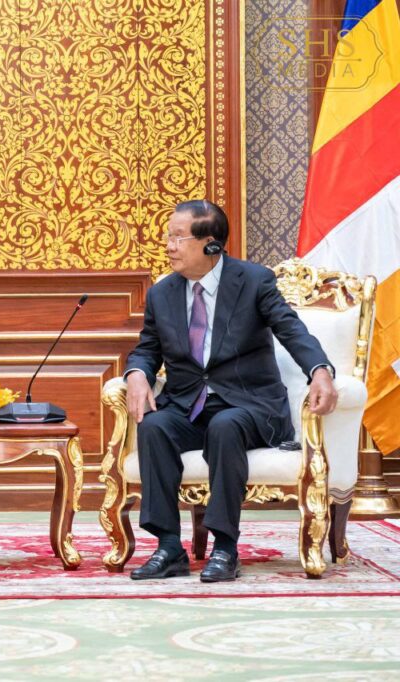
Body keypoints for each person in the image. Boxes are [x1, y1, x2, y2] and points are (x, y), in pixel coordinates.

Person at [124, 200, 337, 583]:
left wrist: (319, 370)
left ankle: (225, 548)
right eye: (168, 236)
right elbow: (147, 348)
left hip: (249, 405)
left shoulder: (253, 281)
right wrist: (137, 373)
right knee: (154, 426)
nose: (169, 246)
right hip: (189, 405)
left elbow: (291, 329)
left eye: (178, 237)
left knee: (225, 425)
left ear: (211, 244)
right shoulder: (162, 293)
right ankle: (168, 547)